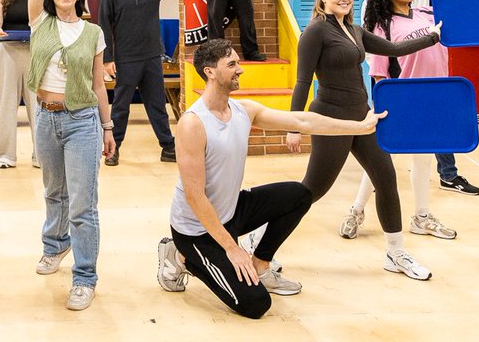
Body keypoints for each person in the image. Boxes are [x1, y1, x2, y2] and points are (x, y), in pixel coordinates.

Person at [156, 39, 387, 319]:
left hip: (232, 212)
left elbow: (303, 121)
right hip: (197, 230)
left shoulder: (244, 110)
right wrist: (232, 249)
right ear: (210, 72)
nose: (240, 69)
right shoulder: (193, 124)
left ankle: (261, 263)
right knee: (255, 305)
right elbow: (195, 197)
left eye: (238, 62)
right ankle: (180, 256)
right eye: (231, 64)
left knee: (299, 195)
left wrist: (359, 127)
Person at [286, 0, 441, 280]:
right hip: (331, 117)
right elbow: (303, 81)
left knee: (386, 177)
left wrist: (432, 37)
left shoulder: (354, 30)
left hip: (361, 117)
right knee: (313, 189)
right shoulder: (315, 32)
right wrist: (294, 124)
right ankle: (259, 232)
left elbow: (393, 49)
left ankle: (395, 252)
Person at [341, 0, 479, 241]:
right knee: (381, 162)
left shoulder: (428, 14)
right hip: (402, 99)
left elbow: (464, 10)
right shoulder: (383, 26)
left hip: (433, 97)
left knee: (422, 160)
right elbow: (379, 72)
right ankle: (356, 210)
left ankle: (421, 217)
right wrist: (383, 107)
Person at [25, 0, 115, 312]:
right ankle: (54, 245)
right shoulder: (38, 21)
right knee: (53, 192)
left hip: (81, 121)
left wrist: (108, 128)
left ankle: (84, 277)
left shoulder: (92, 31)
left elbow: (99, 85)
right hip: (45, 117)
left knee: (83, 204)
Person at [370, 0, 479, 196]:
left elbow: (458, 8)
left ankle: (447, 176)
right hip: (404, 84)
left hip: (436, 80)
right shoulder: (378, 16)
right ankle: (368, 190)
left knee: (437, 132)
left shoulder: (423, 7)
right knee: (393, 142)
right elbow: (378, 60)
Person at [98, 0, 212, 166]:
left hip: (151, 57)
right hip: (126, 58)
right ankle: (114, 148)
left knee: (157, 104)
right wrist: (107, 59)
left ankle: (168, 147)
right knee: (121, 107)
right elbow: (103, 25)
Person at [0, 0, 38, 168]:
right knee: (5, 105)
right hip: (7, 50)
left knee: (38, 106)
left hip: (35, 52)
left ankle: (42, 155)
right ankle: (4, 155)